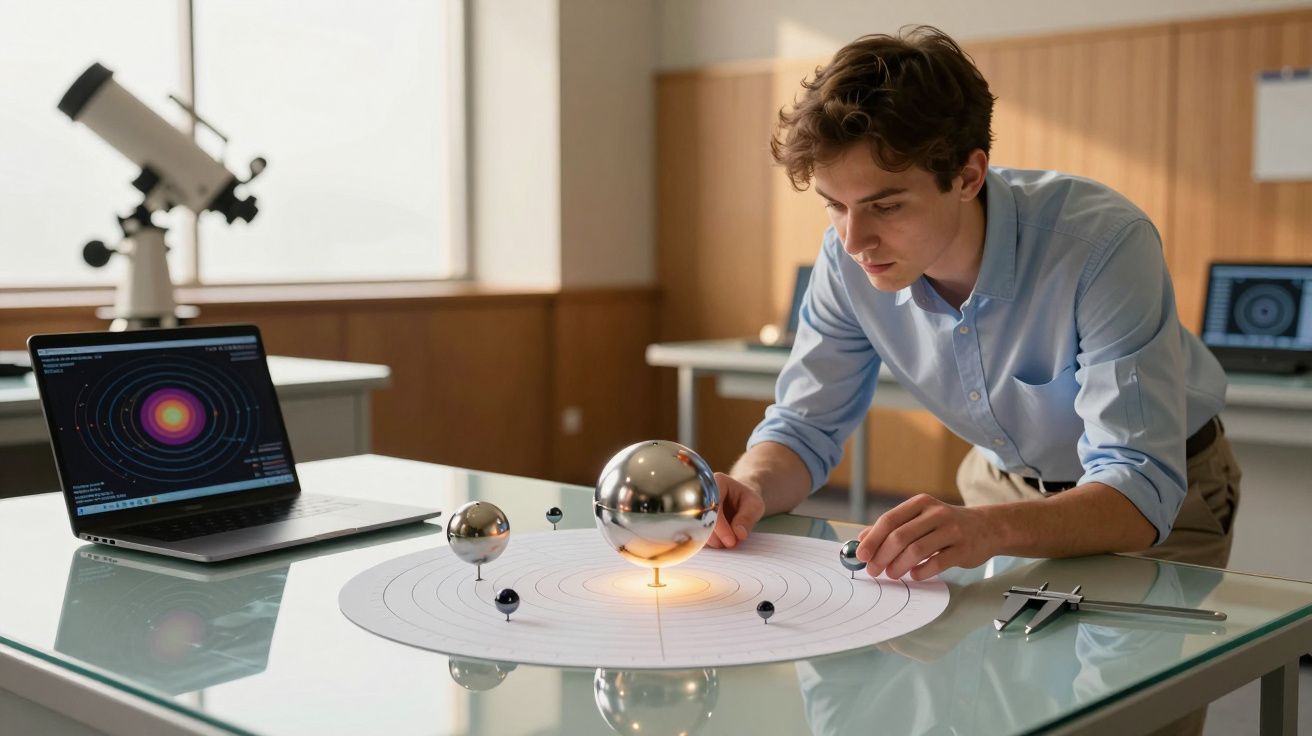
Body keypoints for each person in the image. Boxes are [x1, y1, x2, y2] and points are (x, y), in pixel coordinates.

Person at [708, 25, 1241, 577]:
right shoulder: (846, 259)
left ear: (968, 175)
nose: (853, 241)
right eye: (834, 206)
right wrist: (751, 488)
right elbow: (801, 429)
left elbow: (1139, 485)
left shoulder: (1102, 243)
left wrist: (988, 527)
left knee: (1126, 666)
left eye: (886, 207)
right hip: (998, 489)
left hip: (1157, 498)